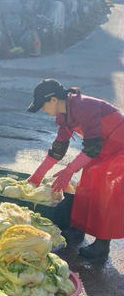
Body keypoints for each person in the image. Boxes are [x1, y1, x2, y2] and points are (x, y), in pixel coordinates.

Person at [27, 79, 124, 258]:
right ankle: (77, 230)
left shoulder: (84, 107)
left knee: (106, 191)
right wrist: (37, 175)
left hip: (120, 147)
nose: (43, 109)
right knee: (86, 184)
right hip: (102, 147)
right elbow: (58, 148)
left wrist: (69, 170)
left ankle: (102, 246)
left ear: (54, 100)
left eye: (43, 105)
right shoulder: (64, 115)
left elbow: (91, 148)